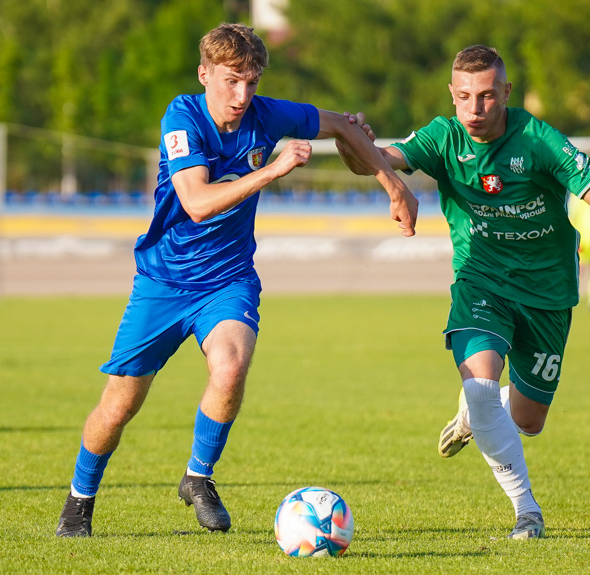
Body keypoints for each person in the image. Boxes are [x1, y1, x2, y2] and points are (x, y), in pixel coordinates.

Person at [55, 22, 418, 538]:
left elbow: (345, 125)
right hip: (163, 283)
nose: (242, 95)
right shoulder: (182, 117)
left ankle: (198, 478)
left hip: (228, 279)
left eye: (251, 82)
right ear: (205, 75)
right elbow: (197, 204)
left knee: (230, 367)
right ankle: (79, 499)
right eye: (231, 81)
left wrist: (393, 187)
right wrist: (272, 170)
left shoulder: (267, 114)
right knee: (118, 408)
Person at [336, 45, 590, 540]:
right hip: (481, 284)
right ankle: (527, 511)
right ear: (452, 96)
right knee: (479, 385)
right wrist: (355, 140)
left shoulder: (538, 141)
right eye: (464, 97)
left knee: (528, 419)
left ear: (506, 93)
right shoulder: (443, 136)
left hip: (548, 294)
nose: (475, 109)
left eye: (487, 96)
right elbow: (376, 161)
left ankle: (478, 411)